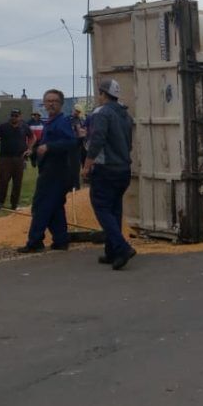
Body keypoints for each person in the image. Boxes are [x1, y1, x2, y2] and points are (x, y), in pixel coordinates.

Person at [84, 79, 136, 269]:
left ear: (103, 94)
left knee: (102, 208)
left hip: (106, 169)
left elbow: (97, 139)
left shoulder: (102, 113)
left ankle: (122, 248)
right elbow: (129, 143)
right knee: (115, 209)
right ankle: (112, 251)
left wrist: (87, 164)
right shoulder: (125, 114)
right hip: (123, 169)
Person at [18, 90, 76, 253]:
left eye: (54, 101)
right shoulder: (50, 122)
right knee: (55, 206)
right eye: (47, 101)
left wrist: (49, 147)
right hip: (51, 170)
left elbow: (71, 142)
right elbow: (45, 144)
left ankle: (35, 241)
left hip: (56, 171)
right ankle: (61, 240)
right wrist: (34, 151)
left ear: (61, 104)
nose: (50, 104)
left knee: (40, 205)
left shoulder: (62, 122)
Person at [0, 109, 33, 210]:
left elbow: (32, 137)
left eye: (16, 115)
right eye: (12, 115)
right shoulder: (3, 126)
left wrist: (30, 149)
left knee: (17, 181)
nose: (14, 117)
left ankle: (15, 204)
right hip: (5, 158)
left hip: (20, 158)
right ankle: (0, 202)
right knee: (3, 180)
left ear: (20, 116)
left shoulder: (24, 126)